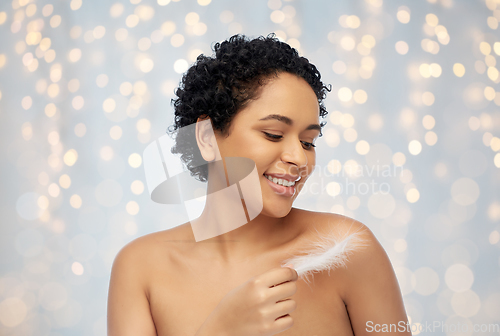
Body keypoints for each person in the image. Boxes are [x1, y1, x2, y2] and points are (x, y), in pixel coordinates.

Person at [107, 34, 411, 336]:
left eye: (308, 142)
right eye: (274, 134)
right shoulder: (141, 268)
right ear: (206, 137)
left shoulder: (345, 250)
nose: (298, 159)